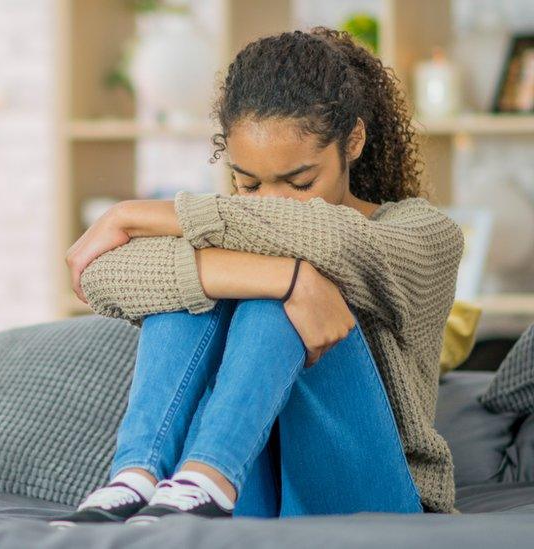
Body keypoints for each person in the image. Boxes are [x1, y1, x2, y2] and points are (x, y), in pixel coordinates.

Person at [49, 27, 464, 527]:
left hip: (372, 490)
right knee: (216, 290)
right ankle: (137, 474)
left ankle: (210, 471)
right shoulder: (240, 230)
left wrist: (136, 215)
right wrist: (285, 276)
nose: (271, 202)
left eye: (300, 182)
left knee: (276, 290)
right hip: (252, 494)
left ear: (353, 140)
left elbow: (335, 239)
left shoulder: (424, 234)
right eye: (247, 184)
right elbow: (103, 273)